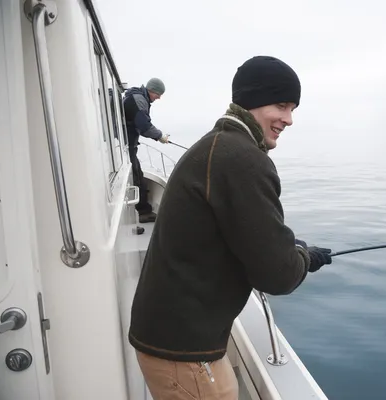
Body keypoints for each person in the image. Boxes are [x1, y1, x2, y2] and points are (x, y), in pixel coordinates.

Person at [128, 56, 333, 399]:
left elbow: (233, 235)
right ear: (252, 101)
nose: (289, 119)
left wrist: (288, 248)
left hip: (170, 339)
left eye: (293, 108)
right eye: (281, 105)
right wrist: (303, 258)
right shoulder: (242, 159)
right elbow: (277, 276)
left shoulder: (216, 146)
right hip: (186, 354)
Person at [123, 77, 169, 223]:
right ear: (151, 90)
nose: (159, 97)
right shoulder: (139, 100)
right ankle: (143, 212)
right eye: (158, 94)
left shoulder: (138, 98)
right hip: (127, 146)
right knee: (137, 176)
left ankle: (143, 210)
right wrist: (160, 136)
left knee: (138, 174)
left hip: (128, 146)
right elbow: (144, 126)